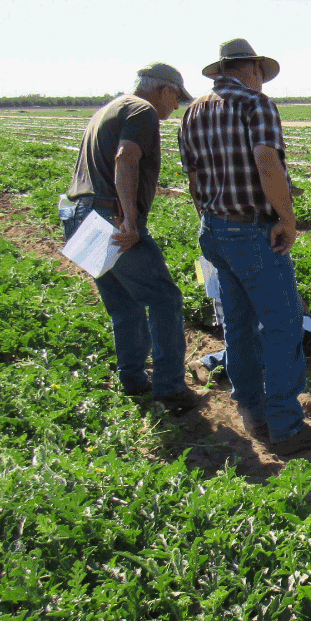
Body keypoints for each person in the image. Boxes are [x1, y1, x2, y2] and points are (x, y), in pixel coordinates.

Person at [178, 38, 311, 456]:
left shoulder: (193, 112)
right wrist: (287, 218)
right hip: (253, 232)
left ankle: (252, 413)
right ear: (254, 70)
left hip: (213, 228)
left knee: (238, 325)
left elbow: (194, 179)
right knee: (282, 325)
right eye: (261, 73)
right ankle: (285, 426)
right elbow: (267, 161)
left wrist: (212, 219)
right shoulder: (256, 104)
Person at [63, 62, 207, 411]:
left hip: (81, 214)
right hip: (110, 215)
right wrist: (128, 219)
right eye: (176, 99)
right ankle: (170, 388)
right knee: (165, 299)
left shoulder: (109, 109)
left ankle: (133, 379)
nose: (175, 108)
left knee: (123, 304)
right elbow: (126, 157)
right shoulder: (142, 110)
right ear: (165, 90)